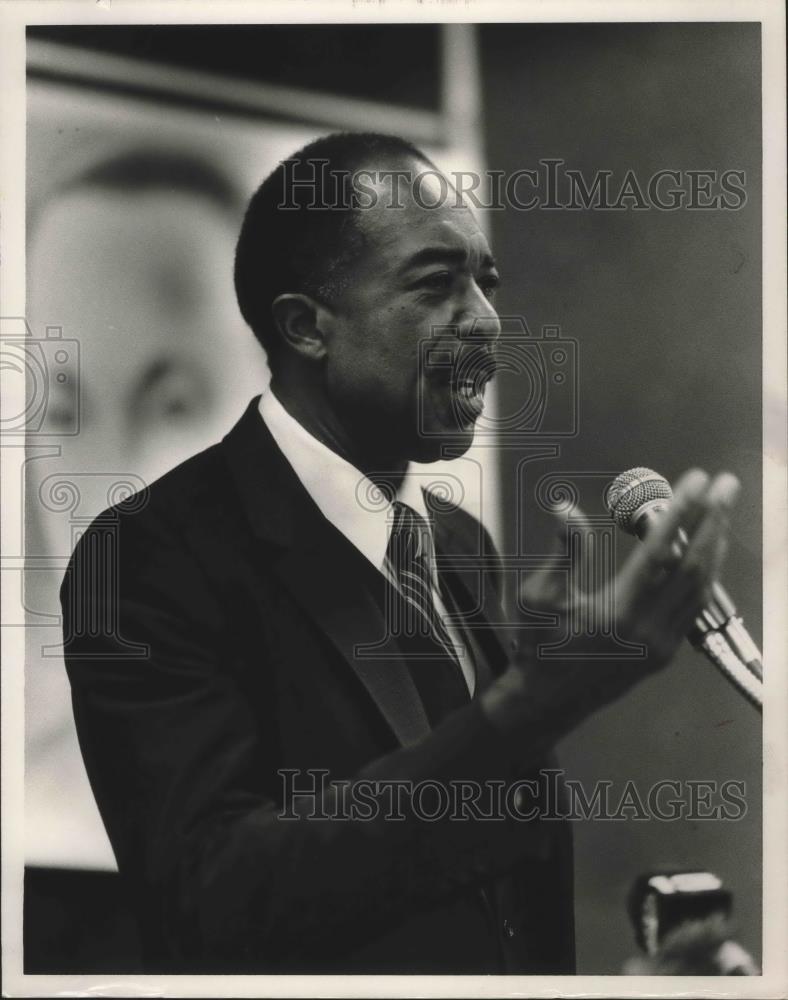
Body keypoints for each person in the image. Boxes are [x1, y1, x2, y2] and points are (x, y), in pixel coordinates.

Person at [60, 132, 739, 974]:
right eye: (435, 285)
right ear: (307, 327)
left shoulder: (457, 548)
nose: (488, 321)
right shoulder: (146, 555)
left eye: (486, 283)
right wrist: (530, 708)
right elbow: (216, 902)